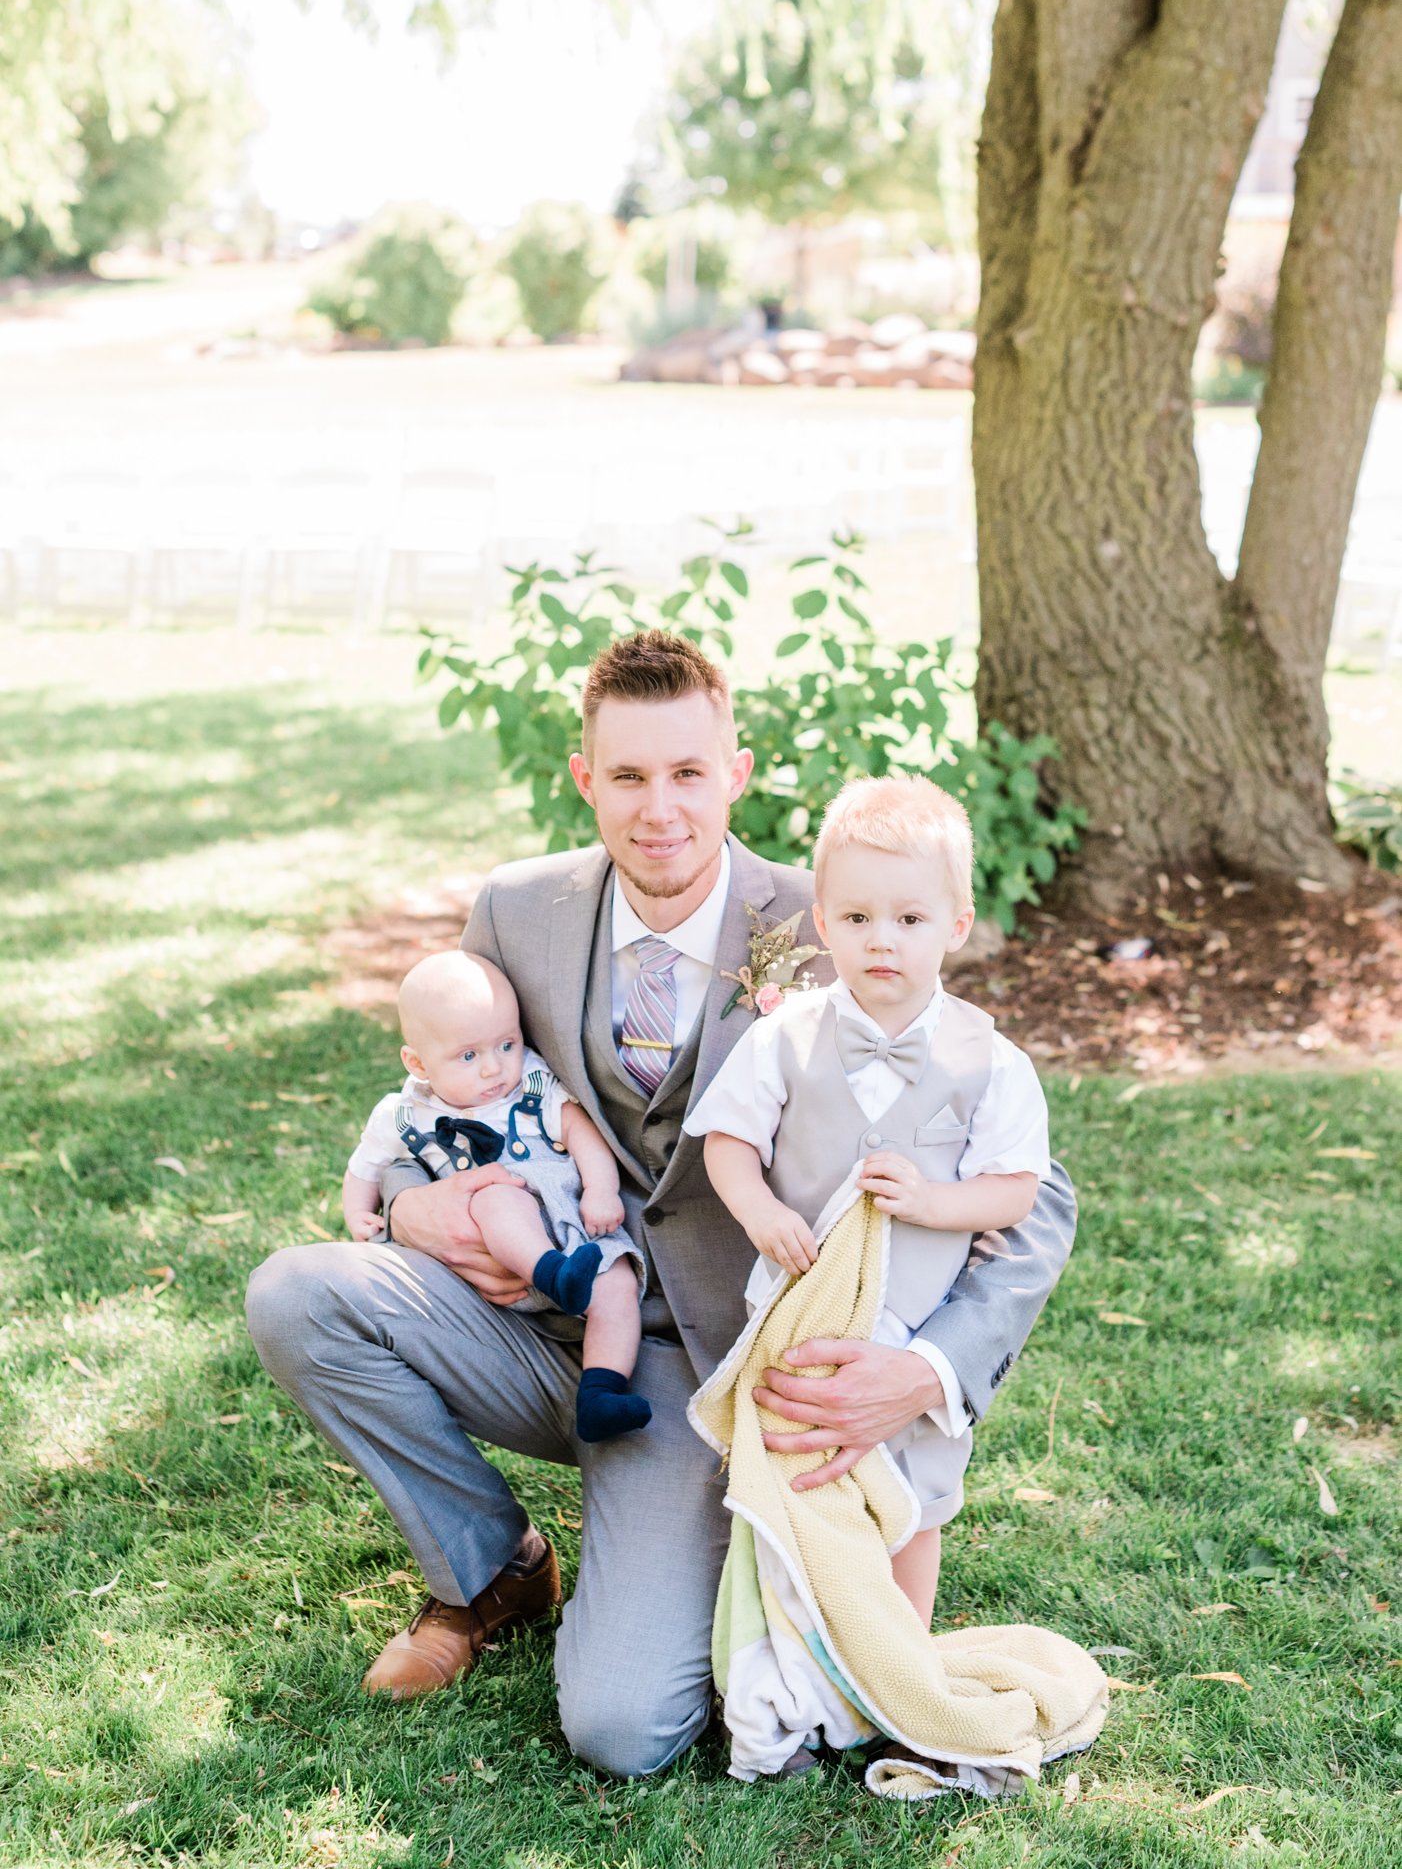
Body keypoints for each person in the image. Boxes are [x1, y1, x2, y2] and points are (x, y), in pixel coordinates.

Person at [244, 629, 1077, 1777]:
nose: (659, 809)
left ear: (734, 770)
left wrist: (929, 1374)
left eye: (687, 773)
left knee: (622, 1729)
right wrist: (404, 1210)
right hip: (542, 1321)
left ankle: (658, 1530)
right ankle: (490, 1572)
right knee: (298, 1293)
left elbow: (1032, 1192)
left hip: (721, 1368)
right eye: (627, 776)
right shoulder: (517, 912)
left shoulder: (838, 916)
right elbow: (452, 1089)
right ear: (584, 777)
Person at [687, 774, 1051, 1631]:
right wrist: (758, 1211)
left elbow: (1016, 1189)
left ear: (956, 925)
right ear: (823, 923)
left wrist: (932, 1199)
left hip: (914, 1327)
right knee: (797, 1481)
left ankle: (898, 1658)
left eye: (910, 919)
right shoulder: (787, 1035)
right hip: (801, 1320)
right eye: (856, 919)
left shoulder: (991, 1061)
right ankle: (798, 1655)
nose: (881, 940)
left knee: (912, 1502)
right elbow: (729, 1140)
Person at [342, 950, 650, 1443]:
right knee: (495, 1195)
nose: (494, 1068)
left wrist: (600, 1189)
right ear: (417, 1063)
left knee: (615, 1286)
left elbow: (579, 1131)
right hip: (498, 1262)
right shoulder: (404, 1115)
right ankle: (550, 1272)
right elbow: (364, 1169)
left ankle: (601, 1393)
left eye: (506, 1044)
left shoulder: (533, 1085)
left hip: (576, 1234)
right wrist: (359, 1215)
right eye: (469, 1056)